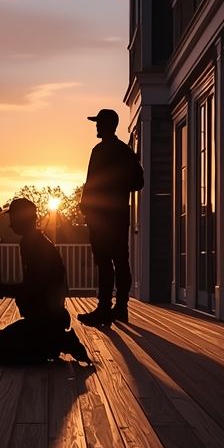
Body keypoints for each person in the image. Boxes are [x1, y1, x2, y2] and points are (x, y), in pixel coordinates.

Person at [0, 198, 90, 365]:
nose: (11, 223)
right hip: (41, 317)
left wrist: (4, 289)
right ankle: (51, 343)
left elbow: (35, 287)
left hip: (46, 319)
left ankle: (56, 342)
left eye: (13, 218)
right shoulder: (31, 242)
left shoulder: (36, 245)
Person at [78, 108, 144, 327]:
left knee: (106, 262)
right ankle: (120, 308)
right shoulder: (125, 152)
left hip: (101, 217)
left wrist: (86, 208)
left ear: (108, 125)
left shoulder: (99, 151)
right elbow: (138, 183)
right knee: (120, 261)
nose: (96, 126)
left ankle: (105, 308)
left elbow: (91, 184)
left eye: (99, 123)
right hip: (117, 215)